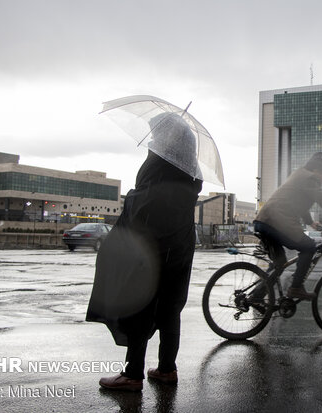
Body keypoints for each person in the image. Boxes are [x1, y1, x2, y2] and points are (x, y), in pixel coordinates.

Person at [86, 113, 202, 392]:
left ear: (167, 136)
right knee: (170, 306)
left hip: (153, 242)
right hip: (181, 242)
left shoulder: (160, 162)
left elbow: (148, 203)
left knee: (141, 303)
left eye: (156, 132)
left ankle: (132, 373)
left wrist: (132, 196)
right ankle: (166, 369)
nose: (152, 137)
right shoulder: (190, 168)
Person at [254, 152, 322, 300]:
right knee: (309, 247)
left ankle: (254, 298)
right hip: (276, 221)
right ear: (316, 170)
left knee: (279, 264)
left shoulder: (299, 175)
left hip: (264, 220)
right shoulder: (308, 178)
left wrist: (311, 222)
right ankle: (296, 288)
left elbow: (298, 205)